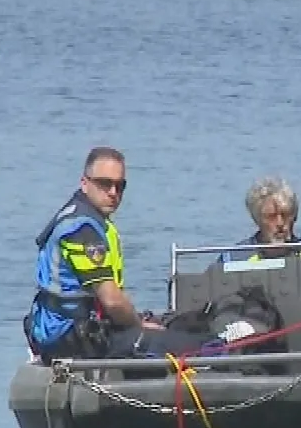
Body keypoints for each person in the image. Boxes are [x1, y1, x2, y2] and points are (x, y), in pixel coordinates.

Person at [24, 146, 211, 361]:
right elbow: (111, 300)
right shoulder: (80, 230)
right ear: (85, 183)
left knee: (189, 324)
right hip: (68, 336)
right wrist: (139, 326)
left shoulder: (91, 218)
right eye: (104, 184)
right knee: (200, 346)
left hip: (87, 324)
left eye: (120, 186)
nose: (113, 192)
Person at [210, 175, 301, 310]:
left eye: (285, 215)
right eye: (271, 217)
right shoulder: (231, 258)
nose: (280, 223)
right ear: (257, 219)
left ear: (295, 217)